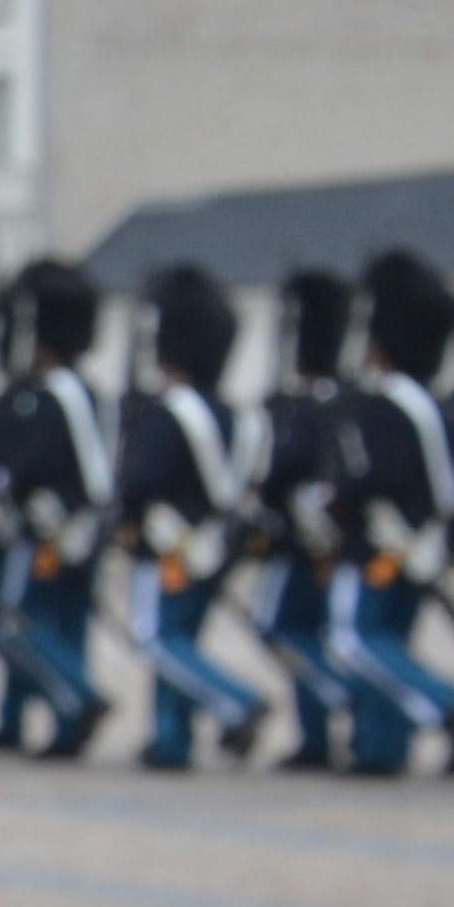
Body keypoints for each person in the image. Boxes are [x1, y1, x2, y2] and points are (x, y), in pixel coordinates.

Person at [326, 249, 454, 775]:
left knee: (355, 640)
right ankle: (380, 748)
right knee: (390, 642)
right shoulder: (438, 406)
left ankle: (446, 701)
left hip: (382, 543)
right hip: (422, 544)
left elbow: (371, 479)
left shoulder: (385, 405)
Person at [117, 265, 272, 771]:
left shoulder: (171, 412)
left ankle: (237, 701)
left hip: (171, 542)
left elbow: (143, 478)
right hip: (218, 542)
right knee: (182, 640)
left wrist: (129, 515)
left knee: (156, 638)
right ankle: (170, 740)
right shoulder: (240, 417)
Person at [0, 261, 114, 760]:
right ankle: (31, 721)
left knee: (11, 621)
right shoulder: (82, 394)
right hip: (69, 529)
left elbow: (36, 466)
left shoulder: (50, 396)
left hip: (49, 530)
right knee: (59, 626)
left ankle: (76, 700)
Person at [254, 269, 363, 768]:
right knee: (320, 636)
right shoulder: (349, 400)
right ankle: (316, 739)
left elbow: (284, 472)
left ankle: (344, 701)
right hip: (334, 540)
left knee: (281, 629)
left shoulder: (306, 408)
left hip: (305, 542)